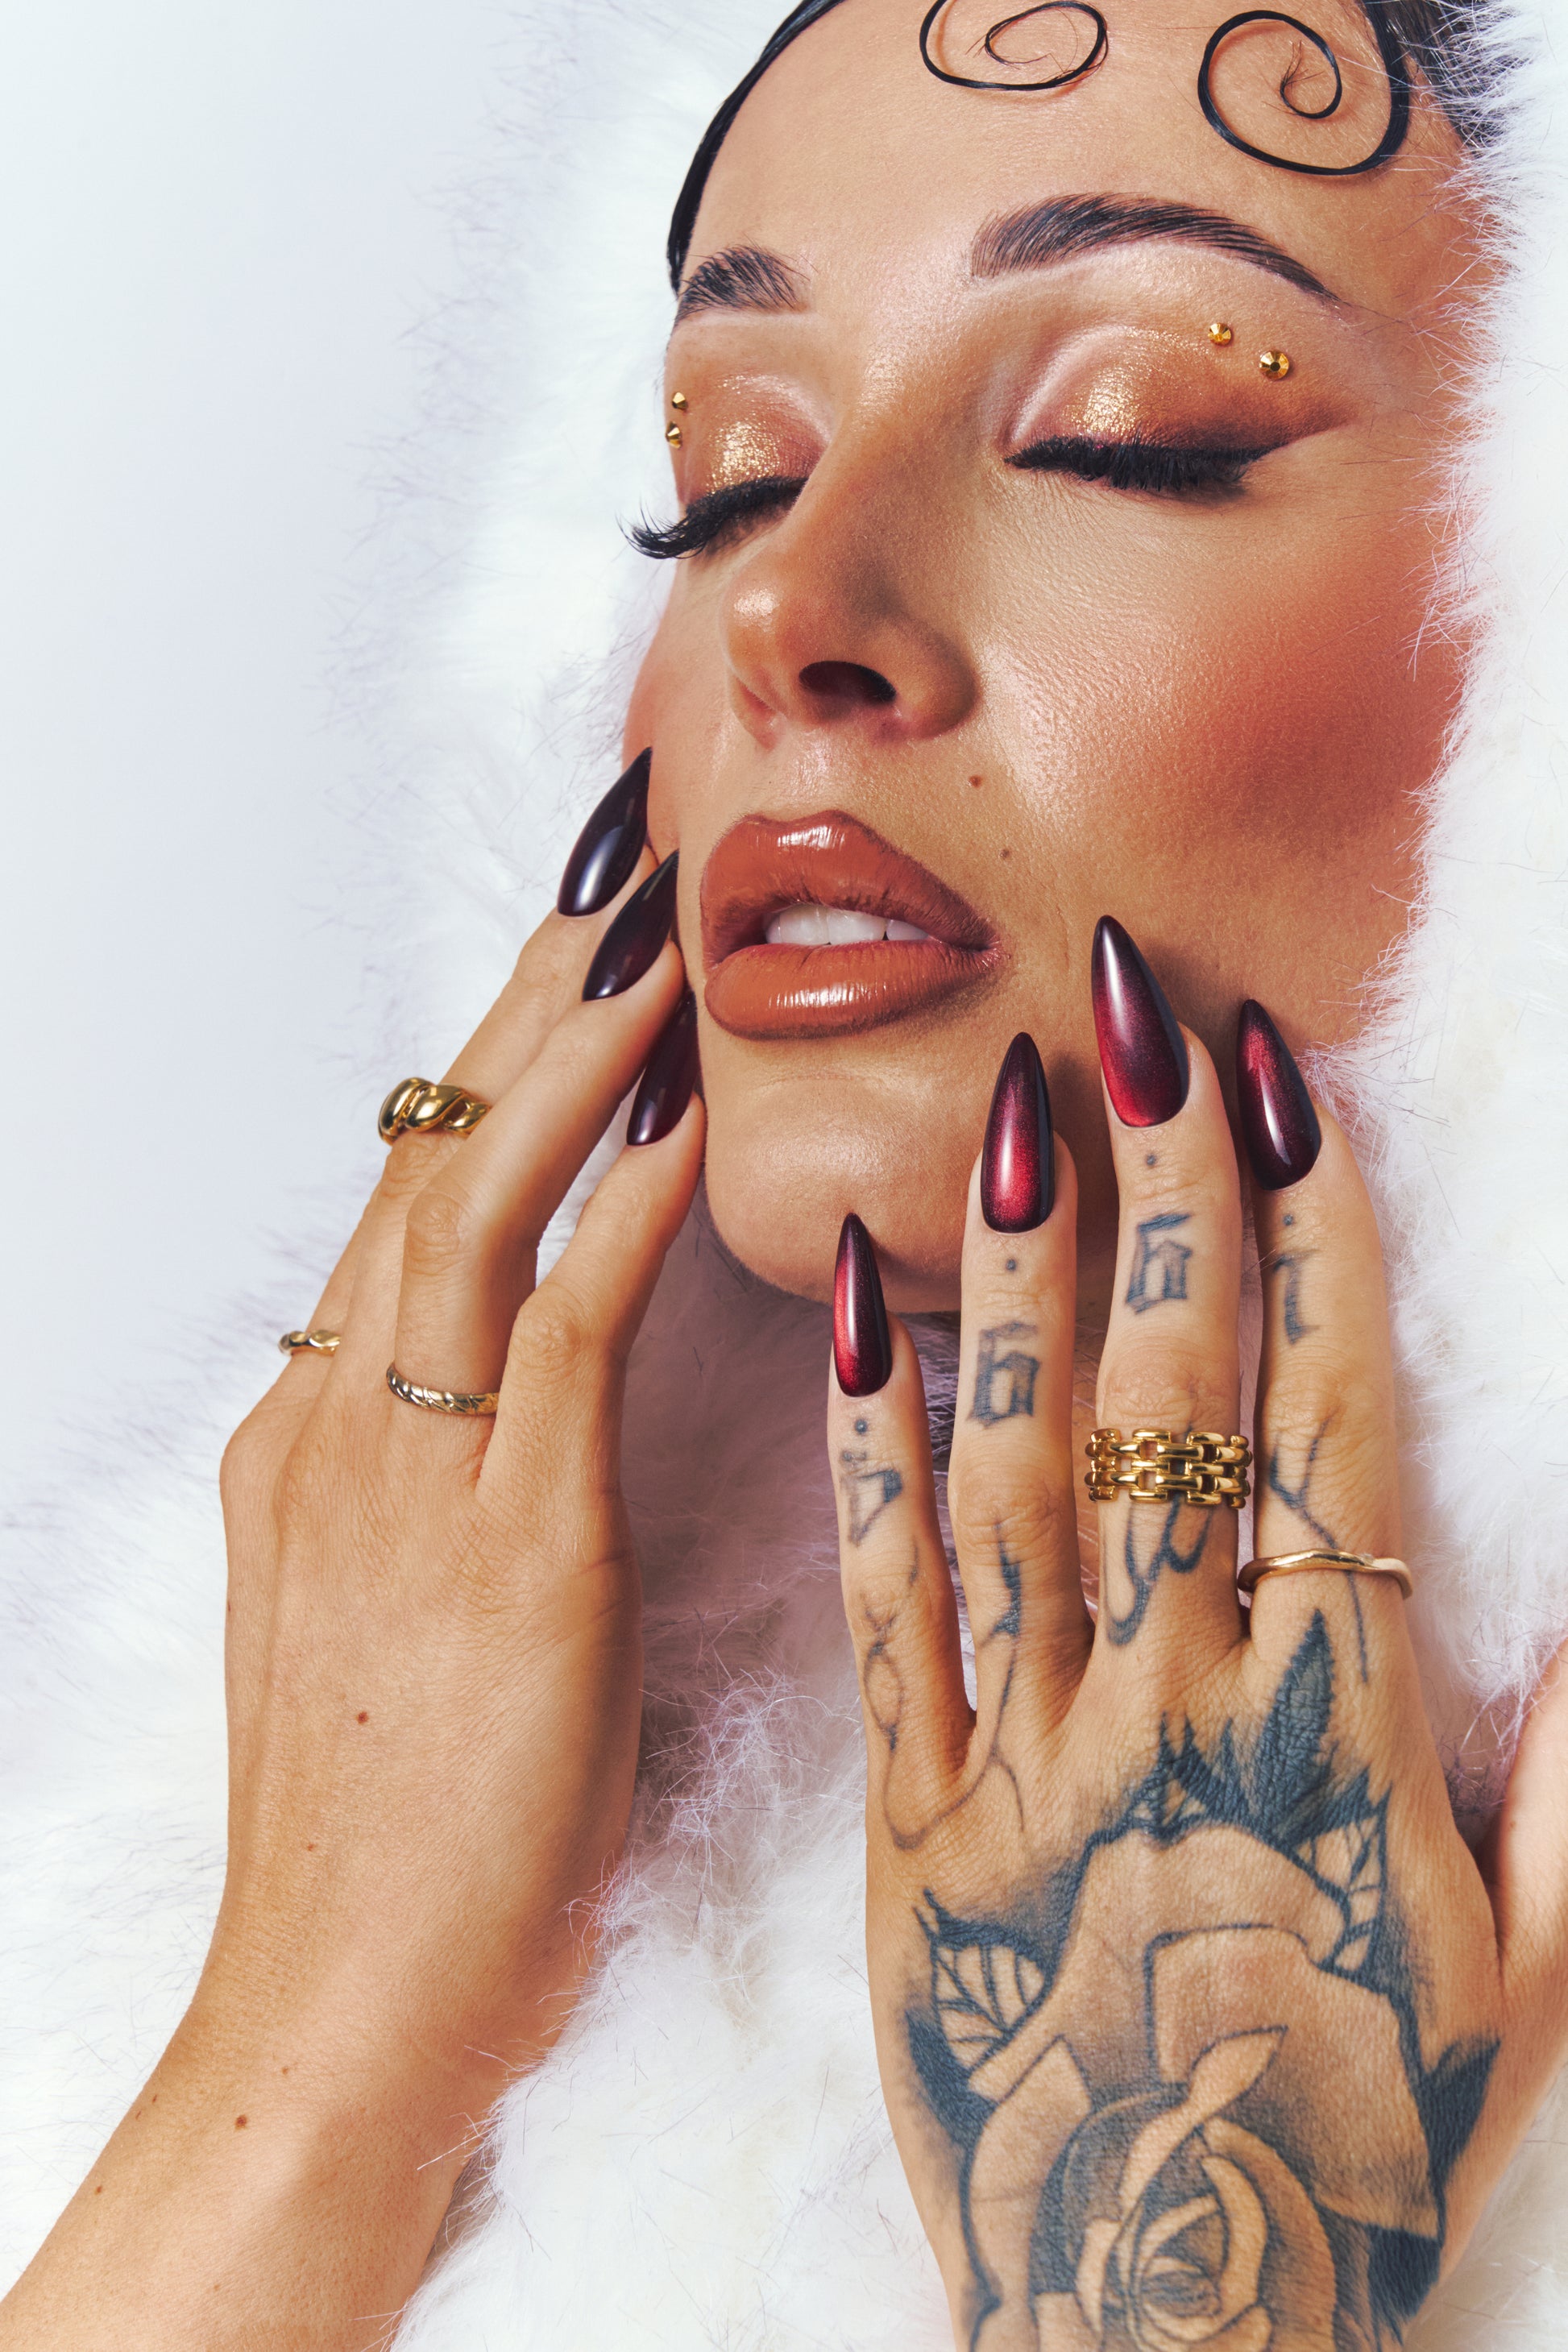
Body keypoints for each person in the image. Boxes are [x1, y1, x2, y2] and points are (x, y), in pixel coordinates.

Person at [4, 0, 1567, 2342]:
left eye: (1129, 436)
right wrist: (315, 2026)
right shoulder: (242, 1788)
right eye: (721, 478)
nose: (784, 612)